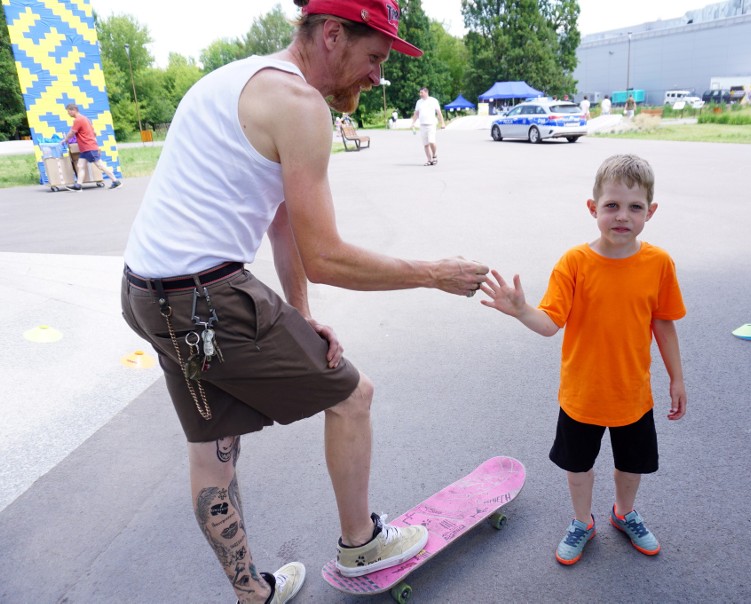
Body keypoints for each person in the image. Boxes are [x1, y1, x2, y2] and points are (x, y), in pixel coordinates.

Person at [120, 1, 488, 602]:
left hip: (146, 295)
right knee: (352, 395)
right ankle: (361, 544)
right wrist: (432, 274)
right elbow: (328, 256)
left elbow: (284, 219)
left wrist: (301, 316)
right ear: (333, 35)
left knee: (213, 449)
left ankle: (253, 594)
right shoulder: (301, 105)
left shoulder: (240, 79)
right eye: (373, 58)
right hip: (207, 299)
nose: (377, 76)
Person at [481, 154, 686, 567]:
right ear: (593, 208)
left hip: (633, 394)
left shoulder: (659, 263)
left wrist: (677, 378)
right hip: (582, 395)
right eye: (611, 205)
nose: (622, 216)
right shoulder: (574, 263)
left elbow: (664, 324)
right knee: (578, 467)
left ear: (651, 211)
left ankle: (624, 513)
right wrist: (522, 310)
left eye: (634, 207)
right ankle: (581, 521)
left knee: (632, 466)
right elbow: (549, 324)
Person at [60, 103, 122, 191]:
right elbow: (94, 133)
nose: (68, 113)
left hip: (88, 147)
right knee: (80, 166)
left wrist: (65, 140)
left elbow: (72, 132)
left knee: (100, 165)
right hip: (86, 148)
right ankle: (78, 186)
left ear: (73, 110)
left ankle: (116, 181)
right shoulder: (85, 119)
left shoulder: (78, 120)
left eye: (68, 111)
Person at [410, 87, 445, 166]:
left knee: (431, 141)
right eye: (420, 93)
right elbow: (416, 113)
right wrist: (413, 122)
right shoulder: (419, 102)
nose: (420, 94)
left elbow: (439, 113)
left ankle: (434, 155)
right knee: (425, 144)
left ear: (426, 92)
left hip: (431, 124)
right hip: (422, 125)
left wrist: (442, 123)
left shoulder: (433, 101)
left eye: (421, 93)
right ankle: (429, 160)